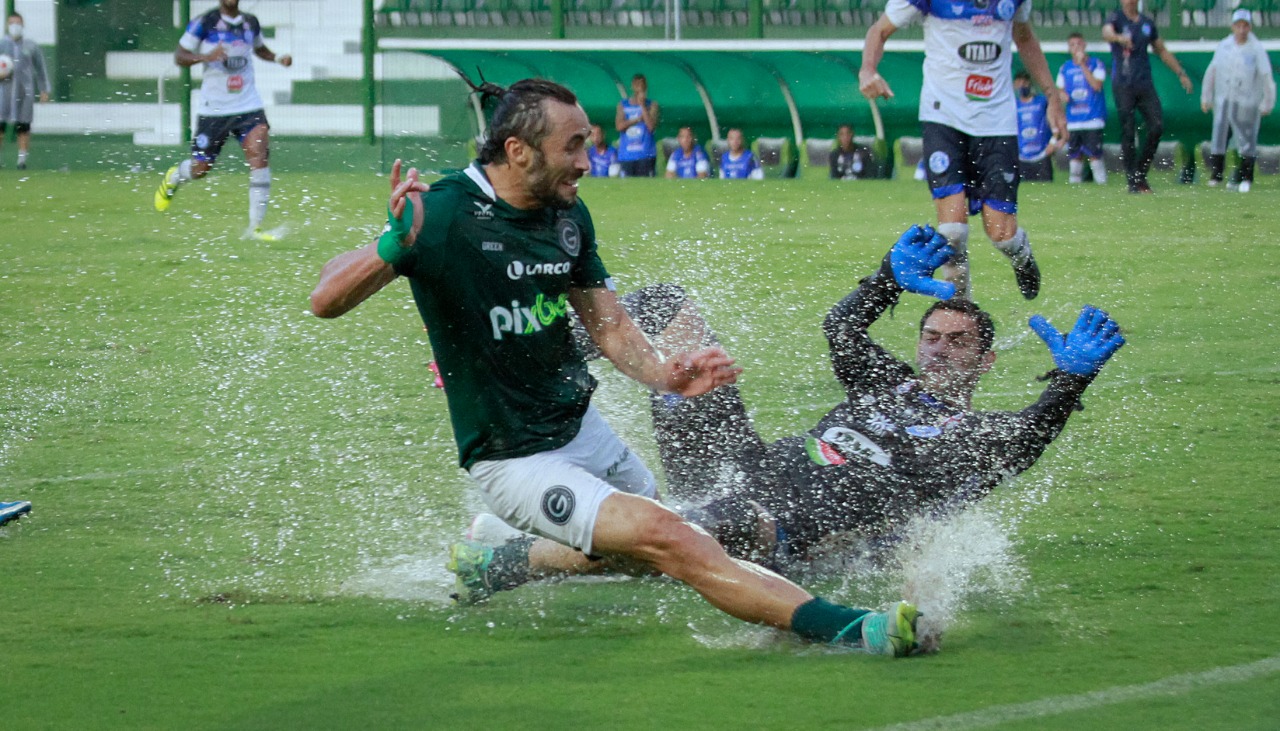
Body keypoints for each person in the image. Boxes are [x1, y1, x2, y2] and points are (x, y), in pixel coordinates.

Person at [309, 78, 923, 657]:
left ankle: (499, 560)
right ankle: (854, 630)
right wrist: (394, 244)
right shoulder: (443, 213)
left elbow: (607, 326)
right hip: (514, 459)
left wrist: (667, 375)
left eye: (588, 144)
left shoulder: (568, 215)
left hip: (584, 431)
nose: (586, 161)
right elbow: (325, 299)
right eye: (573, 147)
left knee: (662, 547)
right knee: (672, 540)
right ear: (519, 151)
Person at [466, 225, 1124, 585]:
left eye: (959, 343)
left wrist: (1068, 383)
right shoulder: (886, 382)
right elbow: (841, 329)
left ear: (986, 360)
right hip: (737, 462)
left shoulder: (975, 435)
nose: (940, 351)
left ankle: (508, 563)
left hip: (780, 528)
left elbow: (1029, 438)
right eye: (932, 337)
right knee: (668, 307)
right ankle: (528, 366)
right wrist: (884, 279)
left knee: (691, 526)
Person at [860, 0, 1065, 301]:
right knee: (952, 231)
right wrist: (867, 69)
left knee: (1002, 235)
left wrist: (1053, 98)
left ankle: (1021, 257)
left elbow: (1024, 37)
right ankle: (960, 313)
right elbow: (879, 31)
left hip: (996, 122)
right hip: (942, 117)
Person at [153, 0, 292, 240]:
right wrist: (206, 56)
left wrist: (278, 57)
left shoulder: (250, 22)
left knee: (260, 156)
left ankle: (255, 228)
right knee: (201, 168)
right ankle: (175, 176)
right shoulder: (204, 23)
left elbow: (260, 49)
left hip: (248, 105)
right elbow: (180, 56)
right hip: (214, 109)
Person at [1101, 0, 1194, 194]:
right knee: (1128, 130)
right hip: (1123, 84)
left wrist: (1180, 72)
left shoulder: (1146, 23)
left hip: (1144, 83)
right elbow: (1106, 32)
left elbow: (1160, 49)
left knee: (1156, 125)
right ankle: (1132, 181)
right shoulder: (1116, 18)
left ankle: (1140, 172)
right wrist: (1119, 38)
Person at [1200, 8, 1276, 193]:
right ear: (1233, 27)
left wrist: (1268, 101)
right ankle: (1217, 174)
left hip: (1246, 101)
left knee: (1246, 139)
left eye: (1245, 26)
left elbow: (1266, 75)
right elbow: (1213, 70)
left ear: (1249, 27)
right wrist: (1206, 96)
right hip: (1225, 98)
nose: (1242, 30)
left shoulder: (1256, 49)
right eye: (1238, 26)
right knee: (1220, 135)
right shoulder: (1224, 46)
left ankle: (1246, 176)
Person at [1057, 32, 1109, 185]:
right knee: (1074, 156)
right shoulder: (1065, 68)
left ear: (1084, 45)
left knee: (1094, 155)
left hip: (1092, 118)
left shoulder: (1096, 64)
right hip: (1074, 119)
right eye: (1072, 45)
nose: (1076, 47)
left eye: (1079, 44)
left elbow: (1096, 85)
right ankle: (1075, 188)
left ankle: (1102, 185)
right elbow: (1060, 89)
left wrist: (1083, 66)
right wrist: (1062, 95)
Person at [0, 13, 51, 171]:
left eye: (18, 23)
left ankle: (21, 160)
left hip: (25, 92)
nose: (15, 26)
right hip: (3, 92)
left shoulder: (31, 46)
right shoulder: (2, 44)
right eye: (12, 23)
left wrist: (44, 89)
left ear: (22, 25)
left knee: (23, 126)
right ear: (7, 25)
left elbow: (40, 68)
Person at [1014, 71, 1064, 183]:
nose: (1022, 85)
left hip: (1042, 153)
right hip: (1022, 154)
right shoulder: (1014, 104)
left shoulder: (1042, 101)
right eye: (1019, 82)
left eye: (1025, 82)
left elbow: (1055, 119)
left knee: (1045, 188)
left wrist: (1054, 140)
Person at [615, 73, 660, 177]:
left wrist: (642, 105)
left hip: (646, 154)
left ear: (646, 86)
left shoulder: (652, 105)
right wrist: (637, 119)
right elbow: (619, 126)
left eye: (642, 84)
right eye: (637, 84)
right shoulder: (623, 105)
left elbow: (651, 127)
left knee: (645, 188)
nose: (639, 87)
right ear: (632, 86)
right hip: (627, 155)